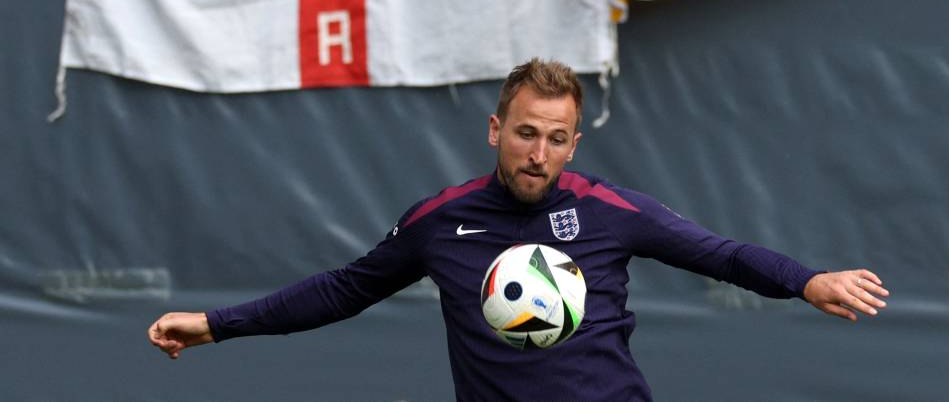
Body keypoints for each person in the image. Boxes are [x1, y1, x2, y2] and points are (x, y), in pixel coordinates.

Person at [149, 58, 889, 401]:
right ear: (496, 129)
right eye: (526, 132)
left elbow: (720, 254)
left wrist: (806, 280)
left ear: (574, 144)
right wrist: (217, 324)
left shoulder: (608, 210)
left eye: (557, 138)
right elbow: (344, 290)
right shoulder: (439, 222)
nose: (539, 153)